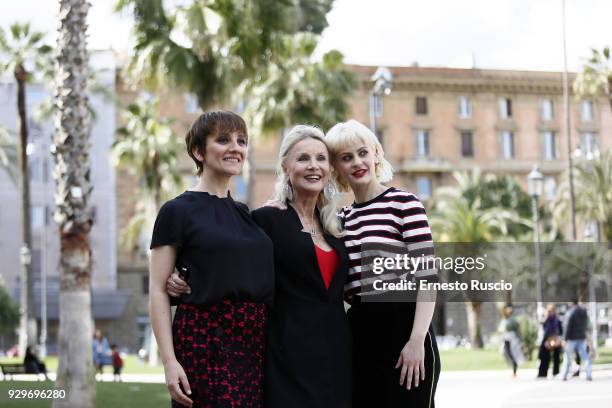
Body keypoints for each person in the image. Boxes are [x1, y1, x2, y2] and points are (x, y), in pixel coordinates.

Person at [168, 125, 352, 407]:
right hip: (285, 352)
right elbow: (223, 253)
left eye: (321, 158)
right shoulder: (265, 220)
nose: (313, 166)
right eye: (303, 158)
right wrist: (179, 276)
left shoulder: (336, 225)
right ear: (286, 168)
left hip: (336, 350)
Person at [150, 111, 275, 407]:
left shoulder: (246, 214)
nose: (235, 147)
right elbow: (157, 290)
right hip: (205, 340)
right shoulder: (176, 210)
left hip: (253, 343)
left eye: (241, 141)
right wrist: (169, 362)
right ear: (198, 151)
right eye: (223, 140)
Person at [325, 120, 440, 408]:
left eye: (362, 152)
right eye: (346, 157)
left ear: (376, 153)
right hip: (361, 332)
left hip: (406, 326)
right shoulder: (339, 221)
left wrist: (416, 342)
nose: (357, 162)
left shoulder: (405, 204)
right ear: (336, 168)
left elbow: (427, 279)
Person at [561, 299, 592, 381]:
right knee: (585, 356)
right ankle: (589, 374)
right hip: (581, 337)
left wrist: (565, 338)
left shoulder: (570, 312)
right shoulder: (583, 312)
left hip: (571, 338)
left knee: (567, 357)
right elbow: (586, 325)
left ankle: (564, 375)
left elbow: (568, 327)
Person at [537, 304, 563, 378]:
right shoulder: (545, 320)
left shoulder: (557, 320)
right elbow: (543, 330)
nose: (551, 312)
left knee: (556, 356)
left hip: (555, 339)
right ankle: (542, 373)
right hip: (546, 340)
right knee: (544, 356)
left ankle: (556, 372)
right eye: (549, 311)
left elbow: (560, 331)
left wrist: (558, 339)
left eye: (552, 311)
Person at [498, 304, 524, 378]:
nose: (509, 311)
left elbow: (517, 329)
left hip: (512, 339)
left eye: (510, 309)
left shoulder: (513, 320)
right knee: (506, 353)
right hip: (505, 338)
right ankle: (513, 368)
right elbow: (501, 330)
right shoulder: (504, 319)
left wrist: (519, 338)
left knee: (512, 354)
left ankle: (514, 370)